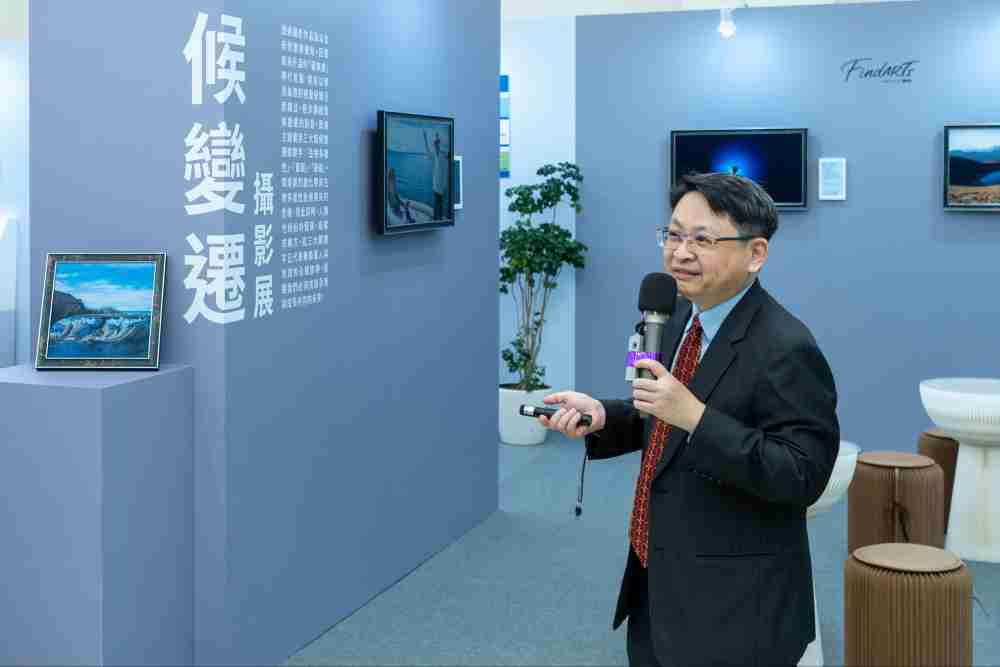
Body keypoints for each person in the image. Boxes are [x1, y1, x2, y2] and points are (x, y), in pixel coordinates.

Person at [538, 172, 840, 667]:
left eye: (702, 240)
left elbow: (802, 474)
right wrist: (604, 414)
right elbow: (661, 415)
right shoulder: (674, 316)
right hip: (657, 578)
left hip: (737, 607)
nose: (680, 253)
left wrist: (698, 417)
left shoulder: (787, 347)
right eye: (673, 235)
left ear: (756, 253)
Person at [423, 129, 448, 220]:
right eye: (435, 144)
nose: (435, 146)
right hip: (437, 186)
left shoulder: (443, 155)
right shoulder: (436, 155)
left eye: (436, 144)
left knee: (439, 205)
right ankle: (437, 218)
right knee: (438, 204)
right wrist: (425, 139)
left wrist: (437, 139)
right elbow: (428, 151)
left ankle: (437, 219)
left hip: (441, 186)